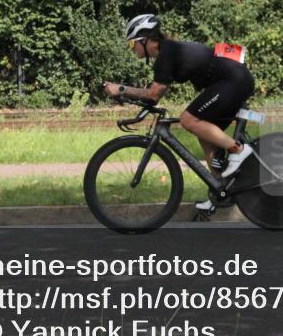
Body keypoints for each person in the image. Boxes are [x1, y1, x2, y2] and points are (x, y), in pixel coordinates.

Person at [103, 13, 255, 214]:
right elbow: (154, 96)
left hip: (232, 80)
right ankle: (220, 190)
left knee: (188, 120)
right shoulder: (168, 52)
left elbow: (154, 94)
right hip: (231, 80)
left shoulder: (167, 54)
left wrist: (121, 89)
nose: (133, 50)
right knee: (204, 132)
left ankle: (238, 150)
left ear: (145, 40)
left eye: (133, 45)